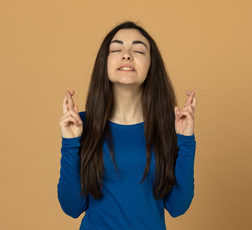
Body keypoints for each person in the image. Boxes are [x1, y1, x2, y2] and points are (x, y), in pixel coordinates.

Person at [57, 21, 197, 230]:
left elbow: (177, 206)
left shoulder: (170, 125)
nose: (127, 55)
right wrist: (70, 143)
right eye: (116, 49)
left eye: (139, 50)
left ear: (150, 68)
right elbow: (72, 207)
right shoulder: (81, 124)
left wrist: (186, 141)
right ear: (104, 63)